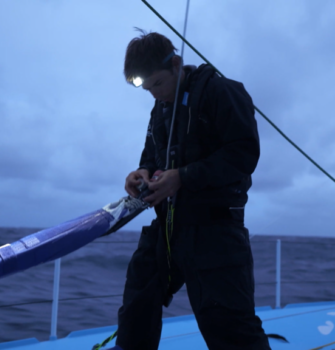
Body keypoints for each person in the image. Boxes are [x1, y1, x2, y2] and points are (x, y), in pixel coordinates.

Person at [109, 30, 271, 350]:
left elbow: (243, 154)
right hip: (168, 227)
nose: (154, 94)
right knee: (137, 303)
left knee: (228, 325)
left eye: (157, 83)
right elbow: (152, 158)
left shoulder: (223, 92)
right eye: (146, 88)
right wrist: (141, 173)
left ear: (177, 64)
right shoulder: (160, 109)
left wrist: (183, 177)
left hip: (215, 230)